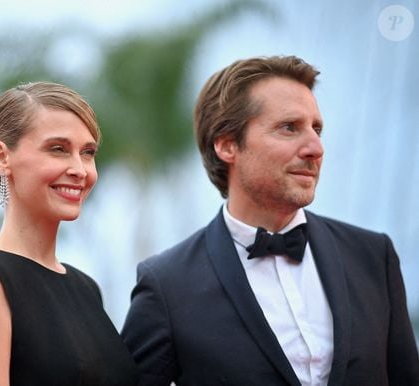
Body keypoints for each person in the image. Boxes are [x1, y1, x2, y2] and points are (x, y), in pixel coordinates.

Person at [121, 55, 419, 386]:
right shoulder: (166, 285)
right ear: (227, 145)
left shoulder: (373, 256)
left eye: (316, 129)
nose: (315, 147)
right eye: (289, 128)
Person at [0, 82, 137, 385]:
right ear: (1, 157)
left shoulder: (86, 288)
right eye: (58, 149)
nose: (79, 169)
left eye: (87, 153)